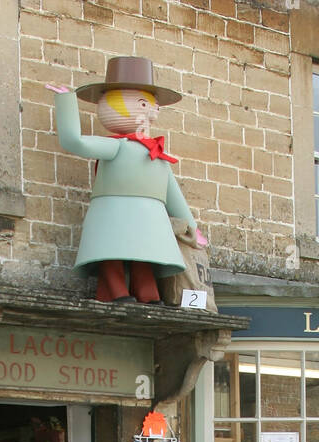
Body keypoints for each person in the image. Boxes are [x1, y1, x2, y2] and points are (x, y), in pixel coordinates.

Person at [46, 56, 207, 304]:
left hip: (149, 218)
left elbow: (173, 195)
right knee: (111, 252)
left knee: (145, 256)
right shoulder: (115, 147)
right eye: (144, 104)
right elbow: (74, 141)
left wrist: (193, 229)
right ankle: (118, 290)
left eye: (151, 105)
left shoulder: (158, 154)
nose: (152, 110)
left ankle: (147, 292)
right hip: (113, 212)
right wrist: (65, 101)